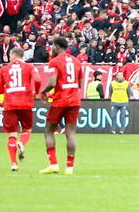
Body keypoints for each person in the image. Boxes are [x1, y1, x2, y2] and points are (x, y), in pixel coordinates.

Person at [42, 36, 83, 174]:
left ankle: (53, 164)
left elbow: (52, 82)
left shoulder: (54, 62)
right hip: (74, 99)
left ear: (57, 47)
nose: (51, 49)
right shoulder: (77, 61)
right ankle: (69, 167)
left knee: (49, 130)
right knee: (71, 133)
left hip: (60, 100)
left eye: (52, 46)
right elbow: (80, 84)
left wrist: (43, 91)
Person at [0, 46, 41, 170]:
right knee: (27, 130)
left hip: (10, 104)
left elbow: (0, 90)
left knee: (12, 134)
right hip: (25, 102)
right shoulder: (30, 67)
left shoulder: (5, 69)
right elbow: (38, 80)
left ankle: (13, 164)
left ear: (13, 56)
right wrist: (36, 92)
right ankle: (21, 143)